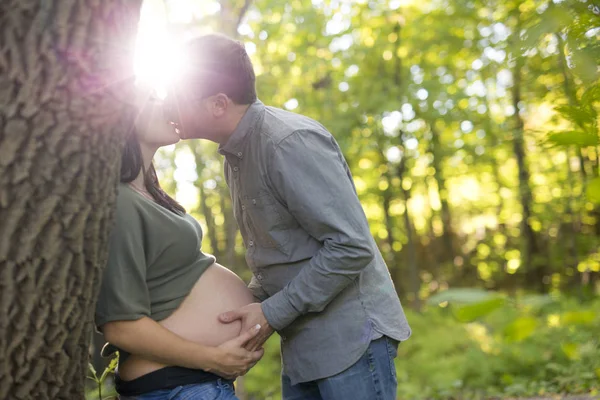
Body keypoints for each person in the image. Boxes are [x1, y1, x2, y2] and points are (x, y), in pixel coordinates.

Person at [166, 33, 412, 400]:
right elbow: (283, 255)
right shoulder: (237, 157)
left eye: (179, 96)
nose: (170, 105)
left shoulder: (287, 143)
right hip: (303, 348)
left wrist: (270, 313)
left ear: (218, 104)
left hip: (352, 342)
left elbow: (351, 247)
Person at [95, 90, 264, 400]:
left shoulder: (146, 194)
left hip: (190, 385)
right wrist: (213, 358)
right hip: (177, 385)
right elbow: (119, 325)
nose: (169, 104)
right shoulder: (118, 201)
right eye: (152, 98)